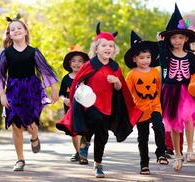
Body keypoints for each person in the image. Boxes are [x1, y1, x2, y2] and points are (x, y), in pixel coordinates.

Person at [56, 22, 142, 178]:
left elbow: (120, 90)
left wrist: (116, 82)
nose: (107, 48)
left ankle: (98, 164)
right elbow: (77, 83)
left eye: (110, 46)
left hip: (108, 106)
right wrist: (80, 86)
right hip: (90, 105)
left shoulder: (115, 68)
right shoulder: (89, 65)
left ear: (114, 49)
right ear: (96, 48)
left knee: (103, 135)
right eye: (103, 45)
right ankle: (86, 139)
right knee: (95, 119)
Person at [0, 14, 58, 171]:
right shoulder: (6, 54)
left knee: (32, 124)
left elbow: (46, 71)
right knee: (16, 125)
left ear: (25, 32)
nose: (16, 31)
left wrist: (54, 90)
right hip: (14, 91)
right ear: (9, 34)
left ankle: (34, 136)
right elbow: (0, 75)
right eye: (12, 29)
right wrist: (2, 95)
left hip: (32, 90)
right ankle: (20, 159)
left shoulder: (33, 52)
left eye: (19, 28)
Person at [157, 4, 195, 172]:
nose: (177, 41)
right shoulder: (166, 55)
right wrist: (160, 43)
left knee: (189, 119)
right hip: (171, 92)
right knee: (174, 125)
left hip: (187, 91)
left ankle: (190, 149)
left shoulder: (191, 56)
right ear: (169, 40)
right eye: (173, 38)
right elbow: (162, 61)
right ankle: (178, 154)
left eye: (180, 38)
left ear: (186, 39)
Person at [124, 31, 169, 175]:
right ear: (135, 59)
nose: (145, 60)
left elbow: (158, 90)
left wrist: (161, 43)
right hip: (140, 109)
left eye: (148, 57)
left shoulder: (155, 72)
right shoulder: (132, 74)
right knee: (143, 137)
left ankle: (161, 153)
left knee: (159, 126)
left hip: (155, 106)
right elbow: (126, 93)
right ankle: (144, 164)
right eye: (142, 58)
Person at [59, 44, 89, 162]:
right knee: (74, 132)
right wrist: (64, 99)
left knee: (83, 131)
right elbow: (61, 93)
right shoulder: (66, 78)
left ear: (84, 63)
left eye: (80, 61)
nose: (76, 64)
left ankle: (83, 153)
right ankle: (77, 152)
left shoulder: (86, 77)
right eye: (73, 61)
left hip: (83, 108)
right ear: (69, 63)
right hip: (70, 109)